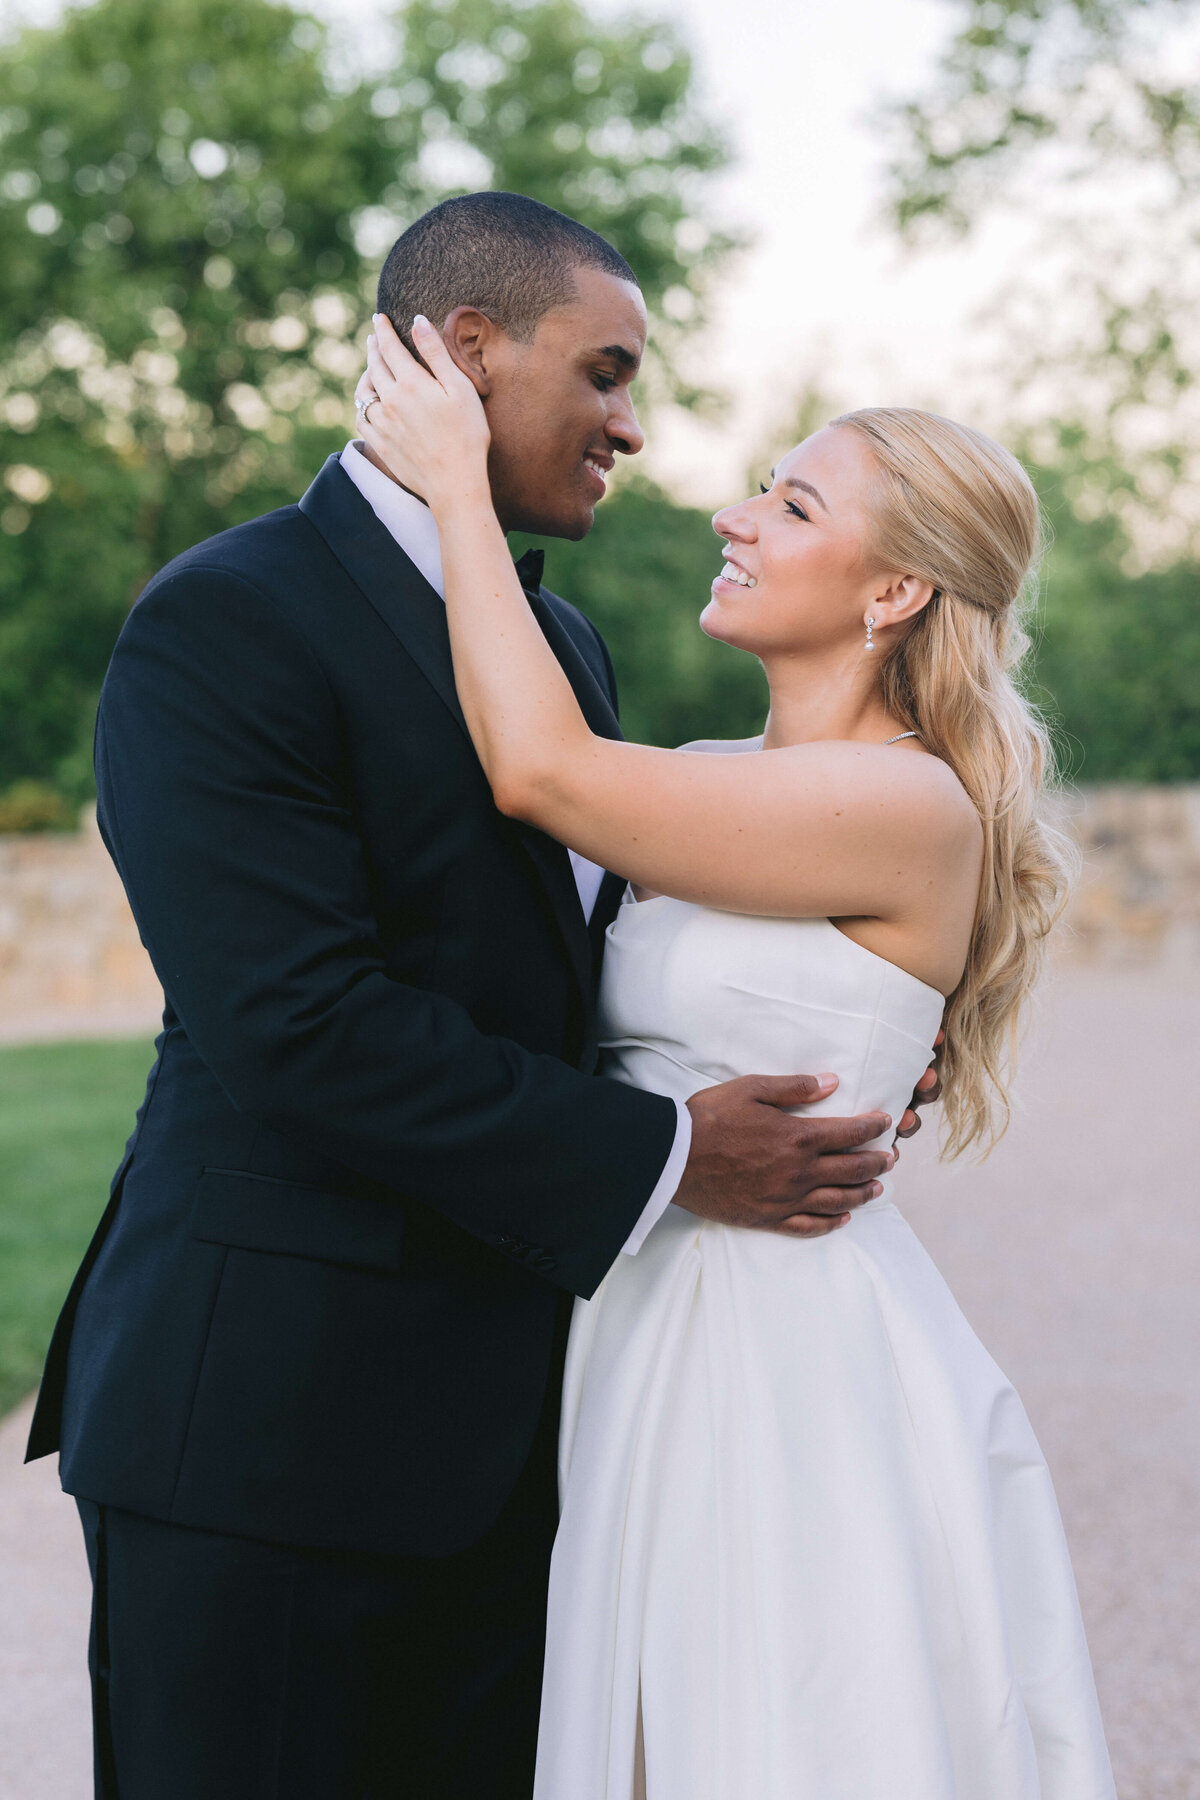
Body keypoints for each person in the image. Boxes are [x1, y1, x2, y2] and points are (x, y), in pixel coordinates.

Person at [25, 194, 935, 1800]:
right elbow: (302, 1023)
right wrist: (669, 1152)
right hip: (269, 1438)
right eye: (603, 374)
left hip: (511, 1443)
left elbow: (566, 966)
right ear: (463, 355)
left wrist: (821, 1044)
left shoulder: (557, 651)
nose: (633, 427)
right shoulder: (227, 621)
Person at [355, 309, 1118, 1798]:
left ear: (894, 587)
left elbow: (537, 770)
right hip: (640, 1313)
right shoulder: (706, 779)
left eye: (792, 503)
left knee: (790, 1722)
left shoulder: (907, 807)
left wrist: (453, 480)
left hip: (784, 1350)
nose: (733, 512)